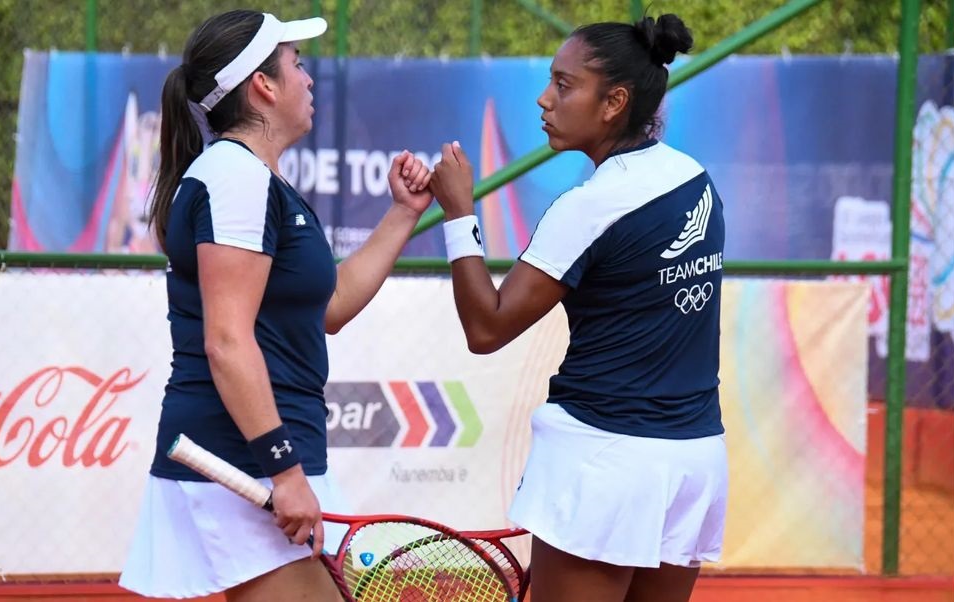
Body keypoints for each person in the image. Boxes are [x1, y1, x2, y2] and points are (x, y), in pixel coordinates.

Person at [118, 10, 433, 601]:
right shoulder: (235, 178)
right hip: (244, 460)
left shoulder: (252, 179)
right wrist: (284, 471)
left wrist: (404, 213)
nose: (308, 79)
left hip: (261, 452)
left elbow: (330, 305)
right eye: (297, 64)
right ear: (262, 85)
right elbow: (227, 341)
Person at [429, 14, 727, 602]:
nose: (545, 99)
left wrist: (459, 214)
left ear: (615, 101)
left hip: (604, 463)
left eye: (565, 86)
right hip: (696, 463)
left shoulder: (587, 208)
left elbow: (487, 328)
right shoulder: (697, 181)